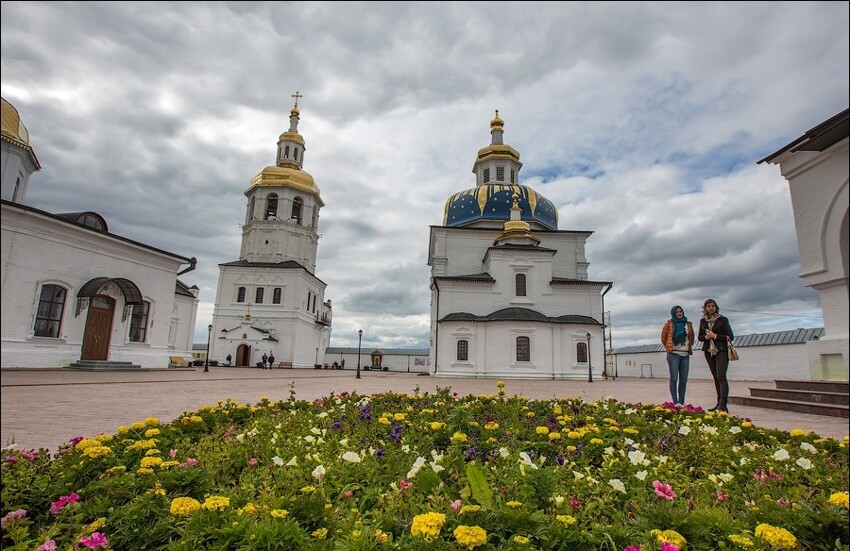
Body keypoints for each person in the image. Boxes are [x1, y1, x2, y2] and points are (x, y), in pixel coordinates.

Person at [698, 298, 735, 412]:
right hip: (709, 351)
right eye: (708, 306)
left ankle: (723, 404)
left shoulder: (722, 320)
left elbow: (730, 336)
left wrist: (715, 336)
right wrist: (706, 337)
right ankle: (718, 402)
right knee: (715, 377)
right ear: (705, 308)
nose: (711, 308)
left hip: (721, 350)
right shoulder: (703, 321)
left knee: (721, 376)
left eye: (713, 306)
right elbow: (699, 337)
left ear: (716, 307)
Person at [661, 305, 694, 406]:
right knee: (674, 378)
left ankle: (682, 401)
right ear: (673, 313)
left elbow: (691, 337)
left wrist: (687, 347)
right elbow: (663, 338)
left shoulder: (688, 324)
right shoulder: (669, 324)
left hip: (685, 355)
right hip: (673, 354)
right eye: (677, 312)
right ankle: (675, 401)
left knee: (683, 379)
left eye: (681, 311)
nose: (679, 313)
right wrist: (670, 347)